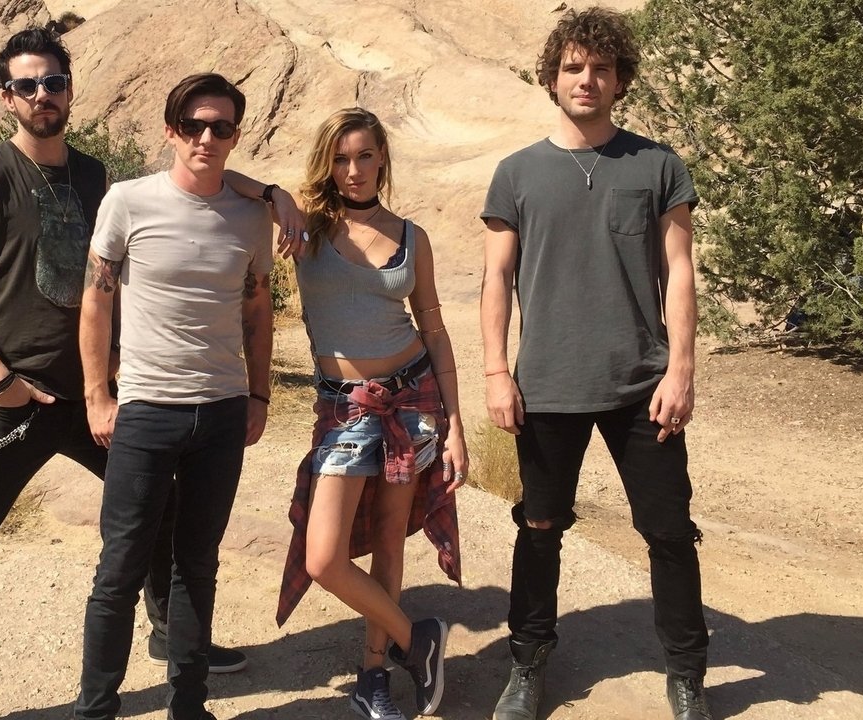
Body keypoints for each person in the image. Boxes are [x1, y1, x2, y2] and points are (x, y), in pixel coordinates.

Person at [0, 31, 279, 720]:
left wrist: (270, 191)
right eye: (27, 85)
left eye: (54, 82)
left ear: (69, 89)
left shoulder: (97, 179)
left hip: (101, 398)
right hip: (17, 400)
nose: (43, 95)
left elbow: (194, 180)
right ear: (7, 98)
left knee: (163, 516)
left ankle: (170, 635)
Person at [479, 8, 711, 720]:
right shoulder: (516, 173)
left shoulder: (658, 165)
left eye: (601, 68)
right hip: (547, 386)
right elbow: (496, 279)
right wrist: (496, 372)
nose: (587, 80)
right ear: (553, 78)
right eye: (574, 67)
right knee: (539, 526)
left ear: (620, 80)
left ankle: (686, 676)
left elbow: (679, 271)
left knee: (669, 531)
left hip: (643, 385)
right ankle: (527, 664)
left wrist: (681, 370)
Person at [74, 73, 275, 720]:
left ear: (236, 135)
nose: (206, 137)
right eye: (193, 125)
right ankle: (95, 710)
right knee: (120, 568)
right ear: (171, 131)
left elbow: (257, 311)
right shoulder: (128, 201)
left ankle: (189, 707)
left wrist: (260, 394)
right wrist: (97, 395)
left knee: (197, 565)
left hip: (220, 411)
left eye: (221, 126)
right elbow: (96, 302)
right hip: (146, 411)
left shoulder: (252, 216)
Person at [274, 107, 467, 720]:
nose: (353, 170)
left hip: (413, 399)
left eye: (363, 156)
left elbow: (434, 328)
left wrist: (456, 424)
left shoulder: (412, 236)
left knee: (389, 537)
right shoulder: (306, 228)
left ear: (382, 157)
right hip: (345, 409)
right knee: (324, 557)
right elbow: (237, 189)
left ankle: (373, 673)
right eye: (339, 158)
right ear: (325, 164)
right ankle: (418, 639)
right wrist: (275, 195)